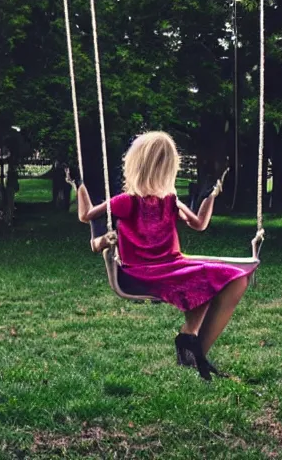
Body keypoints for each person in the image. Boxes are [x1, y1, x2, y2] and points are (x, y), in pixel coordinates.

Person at [74, 131, 258, 380]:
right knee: (209, 277)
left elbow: (200, 224)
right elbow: (86, 216)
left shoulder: (170, 201)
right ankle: (191, 347)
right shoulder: (126, 201)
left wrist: (210, 197)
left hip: (173, 264)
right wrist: (80, 187)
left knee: (235, 279)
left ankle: (192, 344)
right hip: (141, 271)